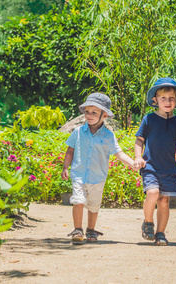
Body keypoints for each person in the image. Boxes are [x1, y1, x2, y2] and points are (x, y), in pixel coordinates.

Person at [61, 92, 136, 245]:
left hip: (97, 177)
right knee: (78, 200)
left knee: (94, 205)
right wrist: (65, 168)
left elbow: (119, 154)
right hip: (79, 175)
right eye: (87, 112)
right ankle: (77, 230)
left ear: (104, 116)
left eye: (94, 112)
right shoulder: (78, 132)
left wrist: (134, 164)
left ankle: (90, 230)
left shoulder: (108, 136)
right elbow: (70, 150)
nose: (89, 115)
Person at [134, 77, 176, 246]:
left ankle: (160, 234)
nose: (167, 102)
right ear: (155, 100)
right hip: (150, 165)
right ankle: (148, 222)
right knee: (152, 193)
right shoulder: (148, 119)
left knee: (164, 201)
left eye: (171, 98)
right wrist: (138, 157)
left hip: (169, 168)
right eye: (163, 98)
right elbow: (139, 140)